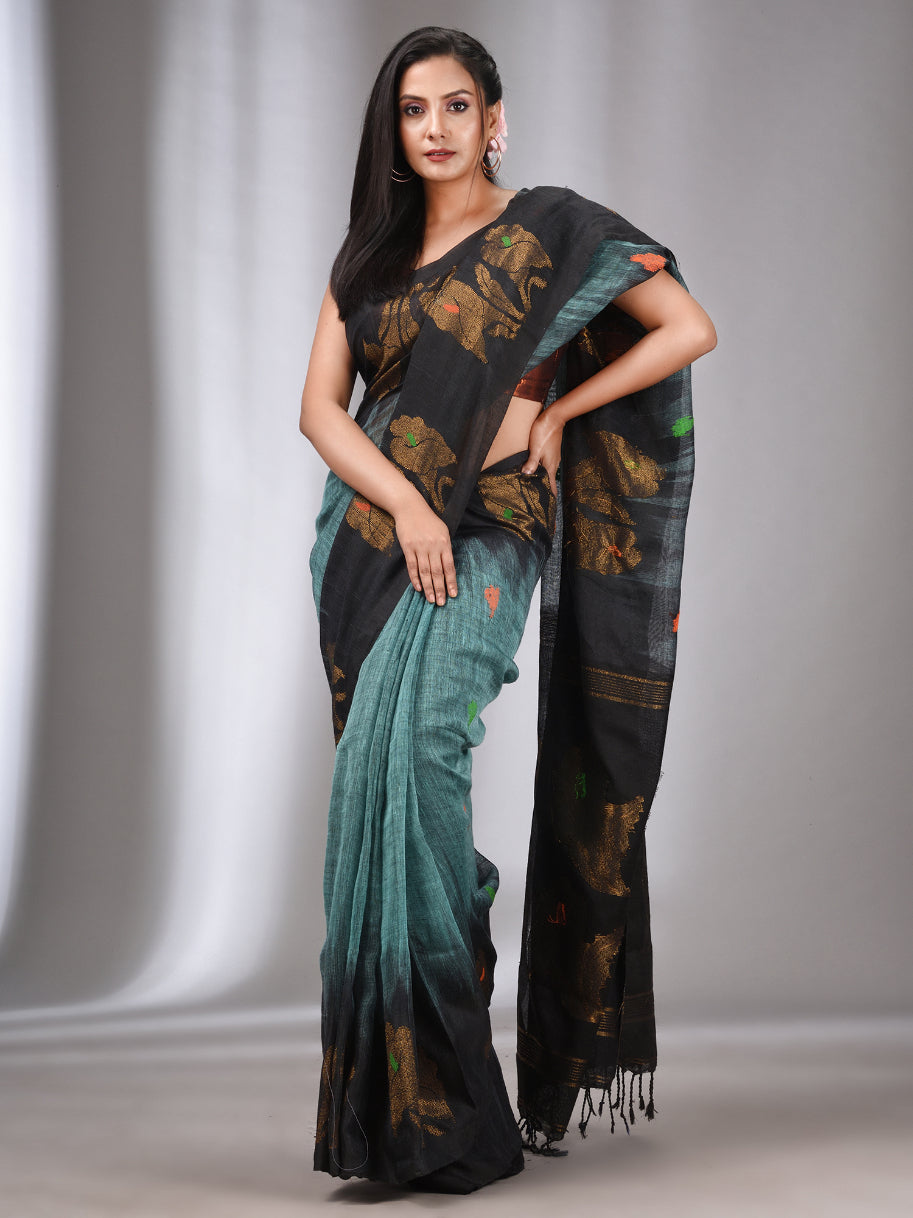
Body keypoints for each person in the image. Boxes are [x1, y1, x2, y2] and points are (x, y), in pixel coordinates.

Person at [299, 25, 716, 1195]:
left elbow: (687, 325)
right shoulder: (369, 257)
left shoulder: (549, 229)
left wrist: (563, 410)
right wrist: (405, 506)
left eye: (454, 105)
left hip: (492, 522)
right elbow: (321, 411)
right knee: (375, 786)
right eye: (411, 110)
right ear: (393, 130)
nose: (433, 128)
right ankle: (397, 1118)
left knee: (424, 744)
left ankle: (450, 1101)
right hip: (375, 543)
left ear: (495, 119)